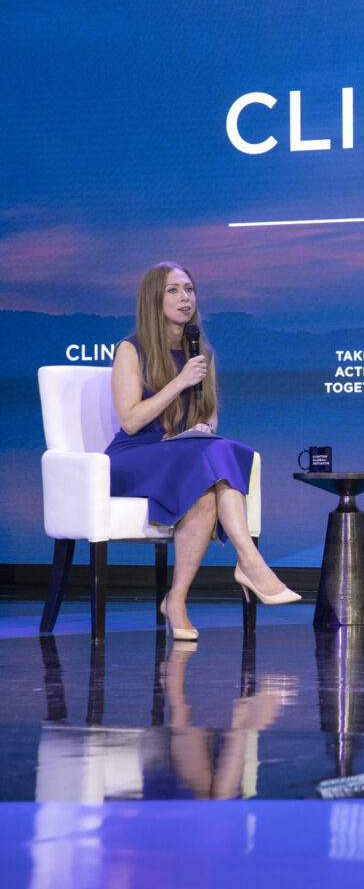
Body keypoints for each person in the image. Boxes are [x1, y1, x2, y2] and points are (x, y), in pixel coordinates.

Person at [107, 263, 301, 641]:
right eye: (174, 291)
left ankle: (176, 600)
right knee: (214, 459)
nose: (186, 299)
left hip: (180, 455)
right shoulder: (131, 349)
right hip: (134, 457)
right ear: (154, 299)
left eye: (190, 290)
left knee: (220, 453)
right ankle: (250, 563)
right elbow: (130, 421)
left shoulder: (202, 353)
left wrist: (204, 429)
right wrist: (179, 382)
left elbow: (208, 414)